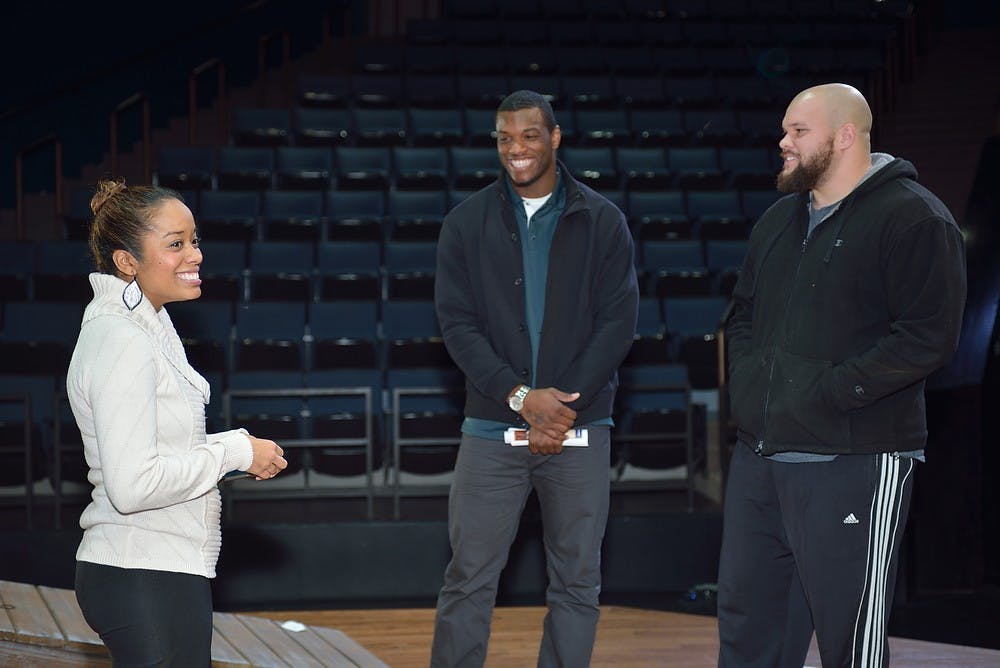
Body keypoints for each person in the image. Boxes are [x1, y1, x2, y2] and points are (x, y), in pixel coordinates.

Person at [717, 83, 967, 667]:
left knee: (850, 641)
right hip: (761, 460)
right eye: (785, 130)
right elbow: (743, 316)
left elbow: (928, 337)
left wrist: (830, 394)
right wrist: (754, 388)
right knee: (747, 631)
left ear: (845, 136)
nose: (783, 142)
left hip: (854, 458)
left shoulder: (915, 218)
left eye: (798, 132)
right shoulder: (779, 219)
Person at [430, 89, 639, 667]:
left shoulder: (604, 221)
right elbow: (457, 325)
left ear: (553, 138)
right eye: (504, 138)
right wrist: (523, 398)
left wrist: (560, 407)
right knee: (468, 578)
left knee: (577, 582)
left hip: (581, 424)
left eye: (528, 135)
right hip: (492, 427)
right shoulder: (464, 223)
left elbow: (618, 324)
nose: (515, 148)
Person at [66, 179, 288, 666]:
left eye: (194, 240)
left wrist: (238, 447)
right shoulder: (123, 338)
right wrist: (232, 452)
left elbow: (158, 447)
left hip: (155, 572)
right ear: (127, 261)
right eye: (175, 244)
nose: (195, 254)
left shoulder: (144, 324)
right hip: (141, 574)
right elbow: (134, 485)